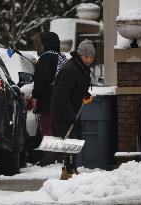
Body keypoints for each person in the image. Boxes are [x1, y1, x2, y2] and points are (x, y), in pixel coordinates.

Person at [51, 39, 95, 180]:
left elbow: (77, 87)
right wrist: (70, 115)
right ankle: (68, 171)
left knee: (75, 139)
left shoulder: (80, 67)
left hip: (73, 109)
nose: (89, 60)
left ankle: (71, 168)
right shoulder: (71, 69)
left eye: (91, 57)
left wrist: (85, 94)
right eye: (86, 56)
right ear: (80, 55)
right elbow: (61, 94)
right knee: (70, 140)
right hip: (63, 110)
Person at [32, 32, 66, 166]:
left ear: (45, 43)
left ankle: (49, 156)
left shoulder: (46, 58)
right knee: (56, 127)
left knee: (46, 126)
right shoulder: (61, 57)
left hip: (48, 99)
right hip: (60, 98)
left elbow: (42, 80)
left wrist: (35, 96)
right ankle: (59, 156)